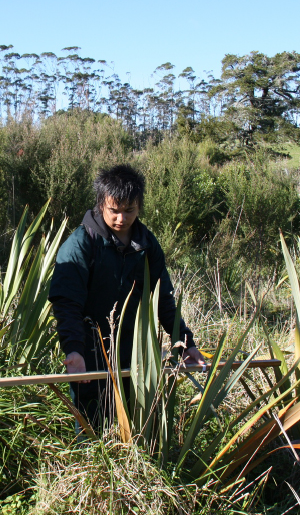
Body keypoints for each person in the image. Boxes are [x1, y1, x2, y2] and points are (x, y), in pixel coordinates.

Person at [49, 164, 205, 431]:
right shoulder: (80, 244)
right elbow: (67, 302)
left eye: (129, 210)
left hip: (135, 353)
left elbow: (163, 300)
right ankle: (90, 468)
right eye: (114, 210)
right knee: (91, 424)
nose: (121, 218)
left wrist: (185, 343)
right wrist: (74, 350)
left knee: (135, 425)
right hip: (90, 352)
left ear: (139, 206)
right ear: (101, 204)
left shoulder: (147, 245)